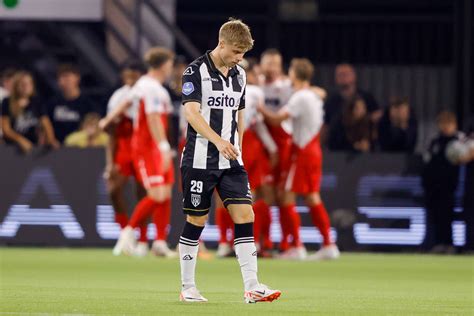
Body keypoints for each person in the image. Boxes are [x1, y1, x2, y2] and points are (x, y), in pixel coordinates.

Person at [178, 18, 280, 303]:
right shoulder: (194, 72)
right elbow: (192, 114)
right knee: (197, 220)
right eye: (236, 52)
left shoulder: (240, 74)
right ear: (221, 43)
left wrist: (238, 146)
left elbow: (240, 114)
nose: (239, 58)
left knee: (246, 215)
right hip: (200, 159)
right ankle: (188, 287)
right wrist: (218, 141)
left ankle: (253, 287)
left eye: (243, 53)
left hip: (231, 160)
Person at [259, 58, 340, 260]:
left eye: (292, 70)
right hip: (313, 149)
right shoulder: (312, 95)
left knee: (286, 195)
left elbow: (278, 119)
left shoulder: (300, 97)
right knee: (312, 197)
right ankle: (328, 244)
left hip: (302, 151)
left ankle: (296, 246)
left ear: (295, 74)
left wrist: (259, 108)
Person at [100, 47, 177, 258]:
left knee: (166, 193)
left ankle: (160, 242)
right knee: (156, 194)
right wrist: (162, 148)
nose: (171, 69)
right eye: (170, 65)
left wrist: (107, 119)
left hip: (158, 146)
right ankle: (127, 233)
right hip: (147, 147)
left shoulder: (151, 86)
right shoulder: (150, 87)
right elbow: (152, 119)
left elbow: (127, 102)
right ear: (163, 65)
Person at [102, 60, 149, 256]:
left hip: (143, 147)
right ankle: (125, 233)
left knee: (143, 193)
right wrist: (110, 162)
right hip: (124, 148)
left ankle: (143, 239)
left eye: (134, 74)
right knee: (113, 189)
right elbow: (110, 133)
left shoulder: (148, 93)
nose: (130, 78)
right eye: (127, 75)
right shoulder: (117, 97)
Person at [259, 48, 295, 253]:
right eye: (268, 63)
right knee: (265, 195)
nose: (272, 67)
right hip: (262, 145)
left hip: (282, 144)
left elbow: (312, 91)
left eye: (275, 63)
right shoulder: (255, 86)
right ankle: (266, 240)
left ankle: (287, 242)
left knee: (282, 195)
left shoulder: (287, 87)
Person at [240, 58, 277, 256]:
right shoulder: (255, 91)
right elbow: (258, 122)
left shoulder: (226, 86)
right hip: (248, 144)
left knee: (237, 196)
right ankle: (259, 242)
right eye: (255, 74)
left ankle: (230, 242)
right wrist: (273, 148)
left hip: (234, 141)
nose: (259, 78)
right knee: (255, 196)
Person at [422, 111, 465, 254]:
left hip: (451, 186)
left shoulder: (459, 140)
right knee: (436, 214)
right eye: (442, 123)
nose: (445, 127)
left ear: (454, 124)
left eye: (448, 123)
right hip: (435, 186)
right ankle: (439, 242)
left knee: (448, 214)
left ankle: (450, 243)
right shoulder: (435, 141)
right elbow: (428, 159)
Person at [323, 63, 381, 145]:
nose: (343, 77)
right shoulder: (331, 101)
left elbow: (376, 116)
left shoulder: (367, 97)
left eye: (346, 74)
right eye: (340, 74)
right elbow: (326, 126)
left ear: (354, 76)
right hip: (339, 145)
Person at [1, 71, 58, 153]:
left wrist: (51, 140)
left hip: (34, 146)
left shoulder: (37, 102)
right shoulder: (7, 102)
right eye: (23, 84)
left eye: (29, 84)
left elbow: (46, 123)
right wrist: (20, 140)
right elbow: (6, 129)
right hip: (12, 148)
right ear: (16, 85)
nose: (26, 87)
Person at [47, 64, 98, 143]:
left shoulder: (88, 104)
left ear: (77, 78)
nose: (64, 80)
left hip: (80, 147)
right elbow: (47, 124)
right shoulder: (52, 104)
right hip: (56, 148)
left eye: (67, 77)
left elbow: (93, 126)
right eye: (60, 77)